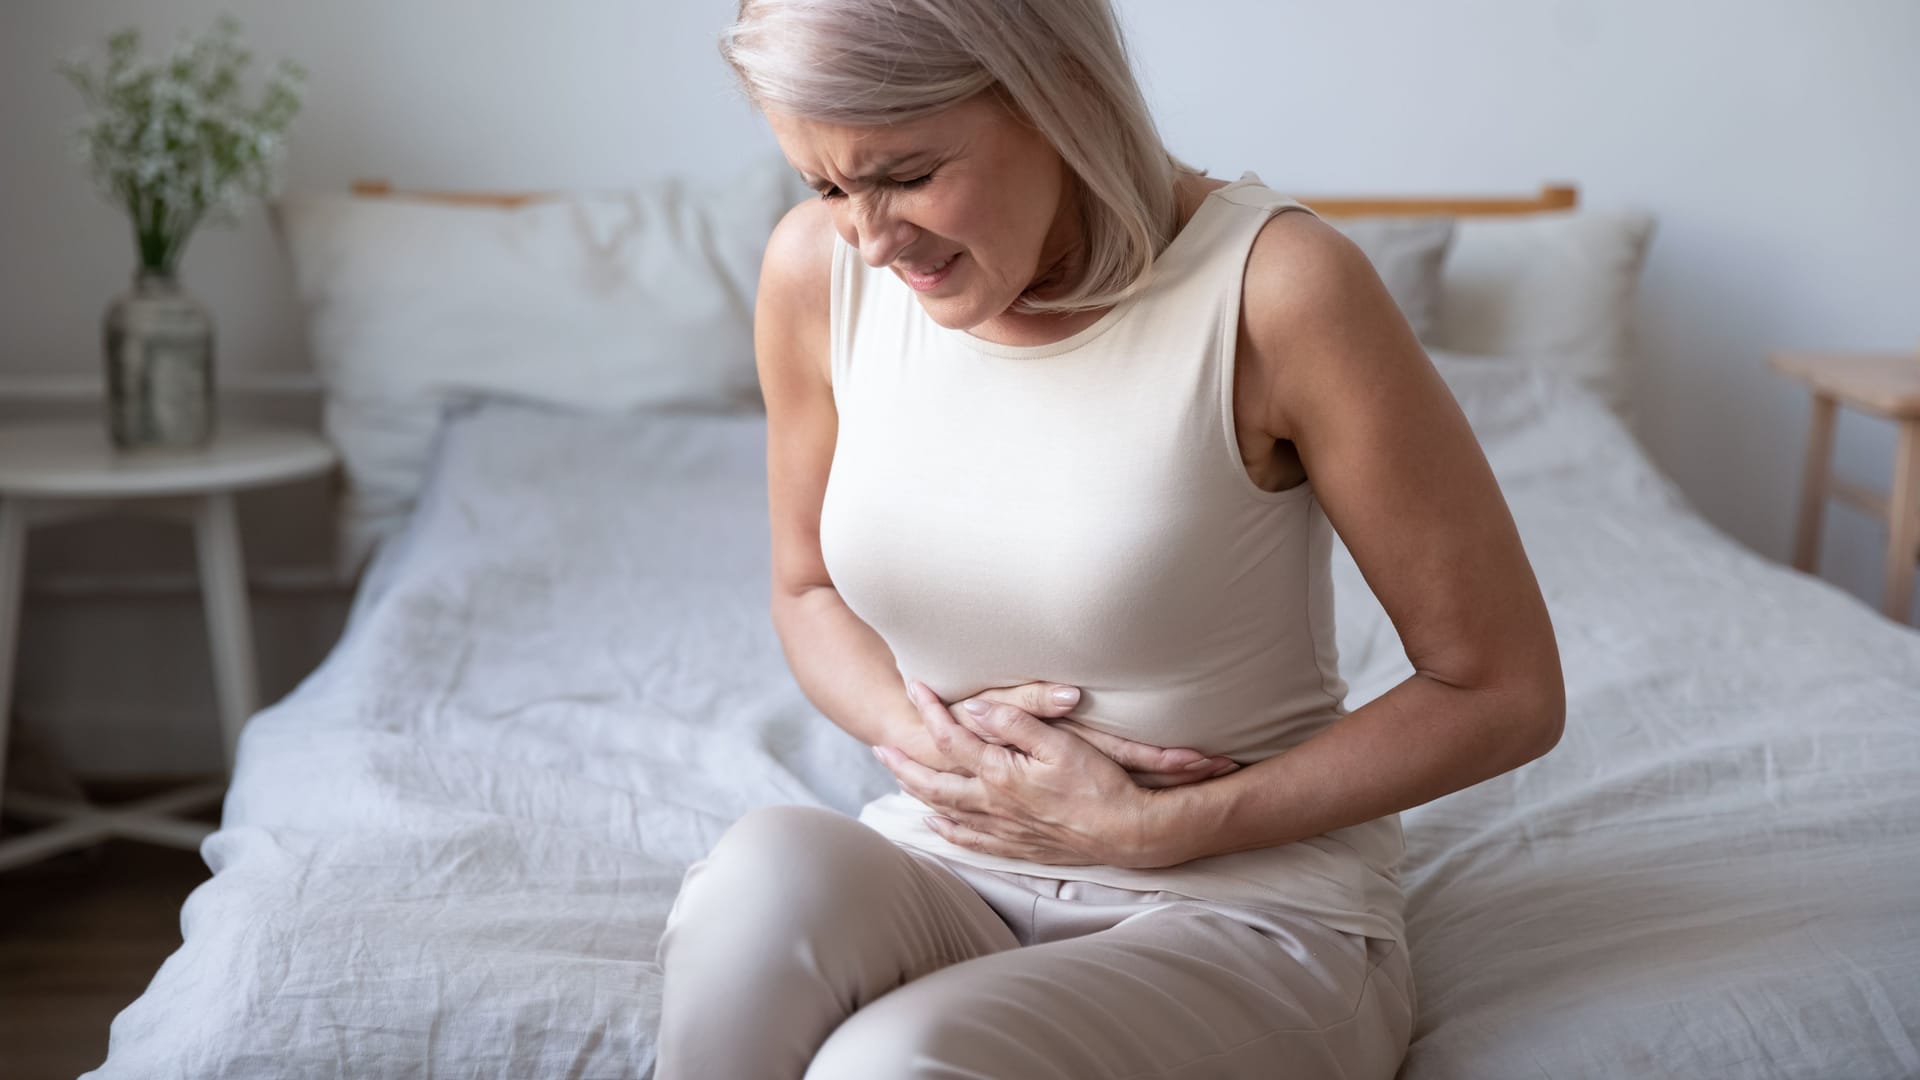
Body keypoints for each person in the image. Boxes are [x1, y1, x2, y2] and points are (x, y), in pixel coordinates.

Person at [654, 1, 1566, 1076]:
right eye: (825, 184)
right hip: (956, 859)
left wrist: (1161, 830)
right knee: (757, 882)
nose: (870, 235)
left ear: (1061, 99)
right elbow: (807, 591)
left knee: (892, 1065)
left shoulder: (1279, 289)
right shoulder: (818, 273)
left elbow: (1501, 689)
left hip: (1247, 909)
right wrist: (944, 743)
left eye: (905, 174)